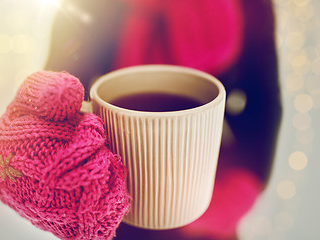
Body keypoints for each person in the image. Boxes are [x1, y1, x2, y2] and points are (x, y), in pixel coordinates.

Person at [45, 0, 282, 239]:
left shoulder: (251, 5)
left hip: (205, 197)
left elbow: (263, 102)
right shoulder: (86, 6)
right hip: (111, 202)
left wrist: (235, 194)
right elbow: (59, 93)